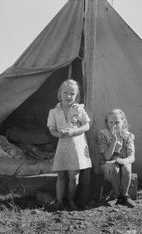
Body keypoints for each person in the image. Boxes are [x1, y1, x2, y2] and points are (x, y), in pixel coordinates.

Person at [47, 79, 92, 210]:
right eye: (65, 93)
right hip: (62, 146)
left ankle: (71, 199)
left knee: (74, 177)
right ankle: (59, 201)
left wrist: (74, 131)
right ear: (59, 94)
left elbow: (87, 125)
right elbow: (51, 129)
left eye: (72, 93)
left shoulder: (79, 109)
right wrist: (58, 134)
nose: (68, 96)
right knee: (61, 175)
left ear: (76, 95)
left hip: (76, 146)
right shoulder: (54, 112)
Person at [97, 108, 136, 207]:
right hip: (108, 163)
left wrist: (124, 160)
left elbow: (132, 157)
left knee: (127, 167)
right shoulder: (103, 134)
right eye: (111, 122)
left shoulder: (128, 136)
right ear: (107, 122)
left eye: (117, 122)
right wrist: (114, 141)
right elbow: (106, 157)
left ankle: (124, 196)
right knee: (114, 168)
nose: (114, 125)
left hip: (122, 161)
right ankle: (116, 194)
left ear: (123, 122)